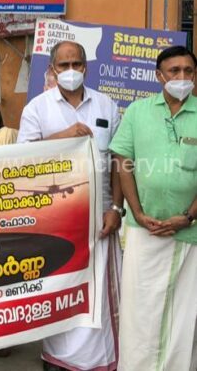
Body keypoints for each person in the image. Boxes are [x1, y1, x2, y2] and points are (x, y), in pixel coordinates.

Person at [17, 40, 123, 371]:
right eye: (64, 65)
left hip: (100, 217)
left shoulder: (106, 105)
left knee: (99, 296)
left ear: (86, 67)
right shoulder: (37, 108)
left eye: (76, 64)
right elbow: (22, 160)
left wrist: (116, 209)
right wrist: (63, 136)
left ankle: (102, 362)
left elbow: (119, 161)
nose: (71, 71)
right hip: (58, 219)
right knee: (61, 290)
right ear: (52, 69)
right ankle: (58, 360)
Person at [109, 45, 197, 371]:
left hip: (188, 233)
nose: (182, 77)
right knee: (140, 309)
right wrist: (137, 212)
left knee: (181, 314)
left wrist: (187, 216)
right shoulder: (137, 111)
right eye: (174, 71)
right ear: (159, 76)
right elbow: (123, 162)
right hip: (142, 230)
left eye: (189, 71)